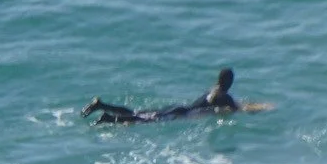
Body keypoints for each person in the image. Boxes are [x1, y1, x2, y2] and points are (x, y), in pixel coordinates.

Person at [83, 68, 243, 125]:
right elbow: (238, 109)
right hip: (181, 113)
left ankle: (101, 105)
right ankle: (109, 119)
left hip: (179, 108)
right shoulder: (224, 96)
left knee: (137, 113)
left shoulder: (213, 90)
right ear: (229, 82)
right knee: (144, 120)